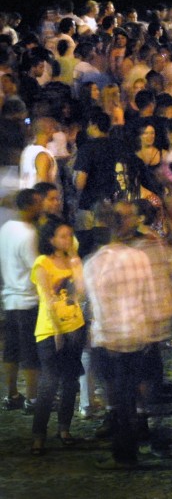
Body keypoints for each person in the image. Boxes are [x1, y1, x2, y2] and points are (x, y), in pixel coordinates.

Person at [84, 200, 172, 470]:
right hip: (137, 336)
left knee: (118, 399)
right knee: (135, 394)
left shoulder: (94, 263)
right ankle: (137, 444)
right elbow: (151, 298)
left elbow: (92, 305)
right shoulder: (139, 258)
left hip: (108, 340)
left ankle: (124, 453)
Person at [29, 217, 86, 455]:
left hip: (75, 325)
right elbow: (45, 298)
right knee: (49, 382)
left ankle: (64, 429)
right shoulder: (42, 263)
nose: (68, 239)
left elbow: (81, 291)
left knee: (70, 380)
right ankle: (38, 435)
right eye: (63, 236)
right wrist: (56, 331)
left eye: (70, 235)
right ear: (51, 239)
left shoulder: (73, 260)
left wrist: (76, 261)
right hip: (49, 330)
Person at [1, 188, 42, 412]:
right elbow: (35, 268)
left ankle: (11, 395)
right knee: (30, 353)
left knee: (11, 352)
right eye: (37, 203)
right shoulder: (29, 233)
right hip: (27, 300)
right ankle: (33, 399)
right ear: (28, 206)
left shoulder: (6, 228)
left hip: (9, 300)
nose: (41, 207)